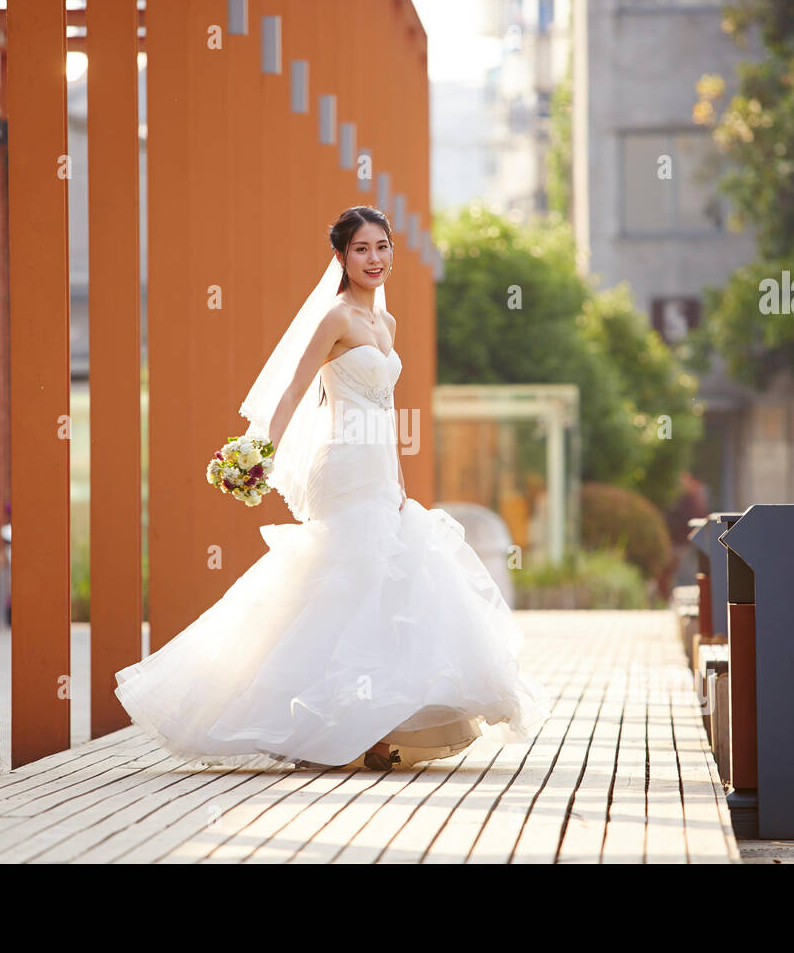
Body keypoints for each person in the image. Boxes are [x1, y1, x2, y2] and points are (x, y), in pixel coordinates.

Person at [114, 206, 550, 772]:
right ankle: (315, 723)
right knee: (353, 576)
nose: (375, 259)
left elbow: (388, 409)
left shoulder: (386, 327)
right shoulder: (335, 317)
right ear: (341, 258)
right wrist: (258, 451)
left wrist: (401, 480)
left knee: (385, 584)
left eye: (383, 247)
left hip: (377, 467)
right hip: (341, 465)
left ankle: (371, 726)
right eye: (362, 249)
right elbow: (295, 389)